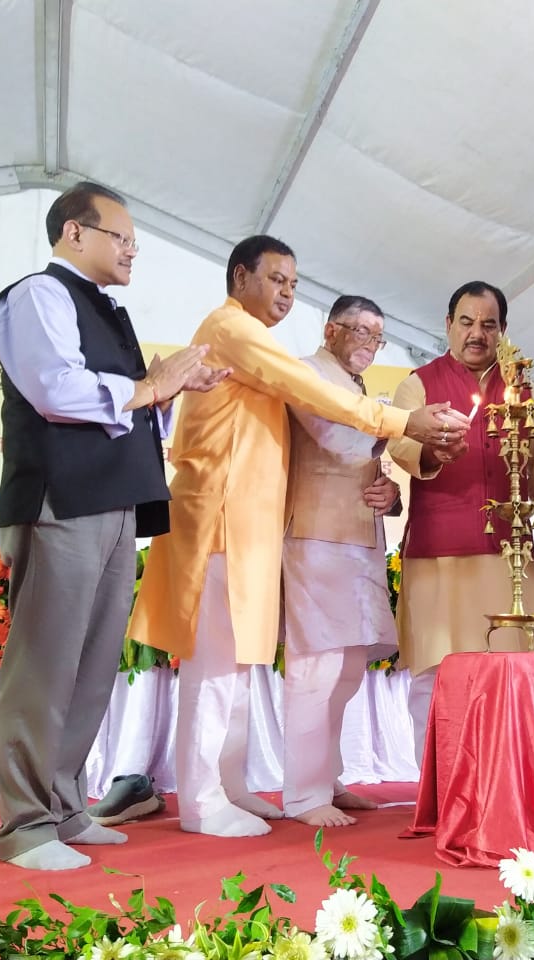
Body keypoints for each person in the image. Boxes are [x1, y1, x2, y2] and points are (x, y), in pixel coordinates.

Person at [128, 235, 466, 839]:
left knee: (236, 668)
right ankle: (202, 802)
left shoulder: (252, 338)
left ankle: (228, 787)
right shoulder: (235, 330)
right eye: (276, 279)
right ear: (240, 277)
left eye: (293, 284)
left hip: (250, 524)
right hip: (220, 517)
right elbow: (314, 399)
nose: (286, 293)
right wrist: (402, 421)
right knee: (217, 670)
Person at [0, 181, 228, 871]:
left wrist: (167, 389)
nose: (131, 251)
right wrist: (150, 386)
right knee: (45, 666)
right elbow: (55, 390)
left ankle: (65, 807)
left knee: (92, 669)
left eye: (134, 242)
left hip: (117, 502)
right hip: (61, 500)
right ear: (74, 233)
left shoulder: (108, 308)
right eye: (120, 237)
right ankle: (25, 825)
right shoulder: (38, 294)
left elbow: (127, 408)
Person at [387, 281, 534, 762]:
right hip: (437, 555)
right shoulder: (418, 384)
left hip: (508, 557)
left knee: (511, 673)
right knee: (435, 675)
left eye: (488, 324)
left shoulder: (523, 389)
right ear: (448, 324)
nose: (476, 334)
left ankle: (506, 780)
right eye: (466, 322)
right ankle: (438, 783)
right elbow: (399, 444)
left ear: (503, 330)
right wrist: (432, 452)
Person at [281, 295, 401, 828]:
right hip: (315, 536)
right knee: (317, 666)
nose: (369, 344)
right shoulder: (308, 372)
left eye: (377, 336)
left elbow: (366, 461)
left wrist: (390, 494)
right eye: (360, 331)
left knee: (349, 668)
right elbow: (337, 437)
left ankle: (326, 778)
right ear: (330, 330)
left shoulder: (357, 388)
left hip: (358, 540)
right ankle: (302, 795)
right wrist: (401, 423)